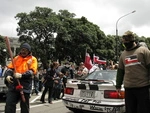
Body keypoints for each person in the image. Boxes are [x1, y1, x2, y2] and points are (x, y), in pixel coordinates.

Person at [116, 31, 150, 113]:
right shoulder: (123, 54)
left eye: (127, 42)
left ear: (132, 41)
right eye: (124, 42)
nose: (125, 44)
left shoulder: (144, 51)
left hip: (143, 88)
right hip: (129, 89)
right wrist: (118, 85)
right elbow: (120, 71)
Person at [4, 43, 38, 113]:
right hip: (14, 85)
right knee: (9, 104)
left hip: (25, 86)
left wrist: (21, 75)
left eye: (25, 50)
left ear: (29, 51)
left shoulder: (33, 59)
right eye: (22, 49)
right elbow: (10, 68)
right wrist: (8, 75)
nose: (23, 51)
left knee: (24, 107)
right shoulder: (16, 58)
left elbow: (32, 71)